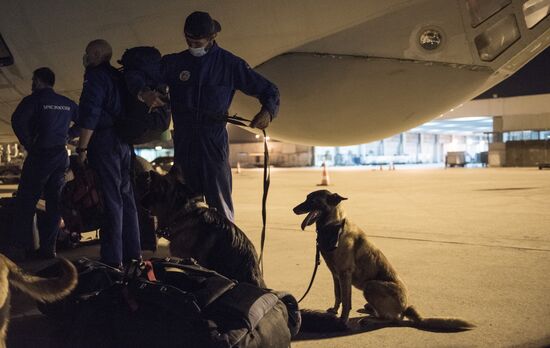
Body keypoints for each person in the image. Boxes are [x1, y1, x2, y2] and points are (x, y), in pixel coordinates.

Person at [139, 11, 280, 221]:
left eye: (198, 41)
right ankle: (190, 250)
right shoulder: (175, 63)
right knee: (183, 206)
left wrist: (267, 111)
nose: (193, 45)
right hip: (185, 144)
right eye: (189, 40)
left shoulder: (230, 64)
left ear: (212, 37)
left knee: (219, 206)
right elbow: (140, 73)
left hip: (212, 143)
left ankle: (224, 250)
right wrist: (145, 92)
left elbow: (269, 90)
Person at [77, 39, 141, 268]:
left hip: (105, 143)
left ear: (96, 54)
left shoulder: (95, 76)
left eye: (87, 52)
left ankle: (113, 258)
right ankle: (134, 253)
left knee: (112, 200)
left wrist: (82, 147)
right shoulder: (118, 75)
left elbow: (91, 112)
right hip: (123, 142)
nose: (85, 57)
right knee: (127, 198)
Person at [8, 67, 78, 261]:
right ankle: (49, 249)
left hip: (40, 156)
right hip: (60, 156)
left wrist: (30, 142)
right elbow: (84, 122)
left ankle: (19, 249)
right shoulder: (66, 103)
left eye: (33, 80)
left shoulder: (34, 100)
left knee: (26, 201)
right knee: (55, 203)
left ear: (38, 81)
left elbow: (17, 121)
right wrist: (68, 135)